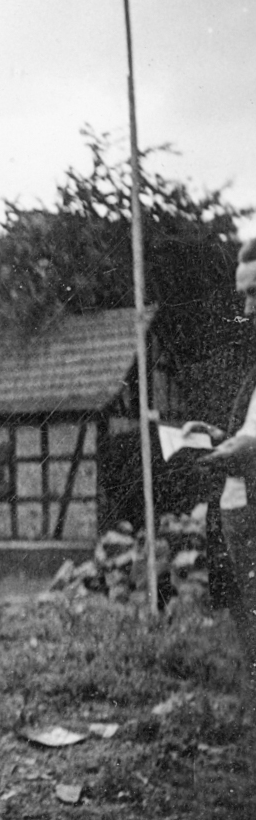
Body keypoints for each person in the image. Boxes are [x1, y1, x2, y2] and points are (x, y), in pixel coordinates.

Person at [182, 237, 256, 718]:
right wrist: (216, 436)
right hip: (239, 509)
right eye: (244, 296)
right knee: (245, 619)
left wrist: (226, 452)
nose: (248, 309)